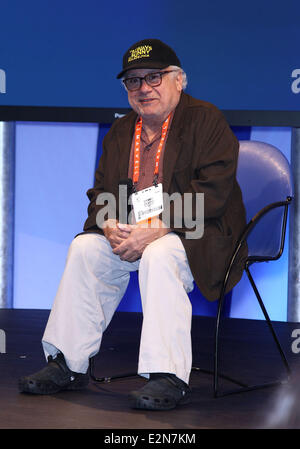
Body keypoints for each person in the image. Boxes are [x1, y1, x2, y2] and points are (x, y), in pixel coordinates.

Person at [18, 38, 247, 410]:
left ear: (179, 80)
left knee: (159, 253)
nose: (143, 88)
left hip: (199, 234)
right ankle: (68, 364)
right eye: (133, 81)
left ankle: (167, 375)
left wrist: (158, 227)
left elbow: (214, 193)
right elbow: (101, 194)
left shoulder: (206, 120)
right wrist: (108, 223)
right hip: (134, 233)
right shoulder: (123, 131)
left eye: (154, 77)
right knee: (85, 248)